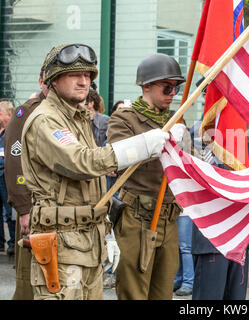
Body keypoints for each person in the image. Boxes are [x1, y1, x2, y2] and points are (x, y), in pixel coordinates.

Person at [20, 43, 170, 300]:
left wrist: (106, 231)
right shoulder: (46, 119)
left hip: (87, 241)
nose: (84, 81)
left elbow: (94, 182)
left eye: (88, 75)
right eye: (74, 75)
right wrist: (142, 145)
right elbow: (81, 163)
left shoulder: (76, 117)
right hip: (61, 245)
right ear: (54, 80)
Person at [107, 53, 188, 300]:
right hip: (137, 218)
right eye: (166, 87)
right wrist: (154, 143)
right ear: (147, 86)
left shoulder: (175, 120)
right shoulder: (125, 118)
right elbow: (119, 158)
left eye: (175, 87)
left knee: (163, 293)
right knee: (134, 292)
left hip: (168, 217)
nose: (172, 92)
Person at [4, 57, 50, 300]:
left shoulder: (64, 112)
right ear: (42, 81)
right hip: (34, 210)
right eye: (49, 79)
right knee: (29, 282)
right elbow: (15, 162)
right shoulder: (27, 111)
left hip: (59, 212)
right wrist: (23, 208)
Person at [0, 100, 15, 256]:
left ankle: (12, 244)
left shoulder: (13, 131)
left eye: (0, 113)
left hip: (7, 174)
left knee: (10, 210)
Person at [173, 213, 194, 296]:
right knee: (177, 248)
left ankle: (188, 283)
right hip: (174, 212)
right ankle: (178, 280)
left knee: (185, 248)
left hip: (185, 211)